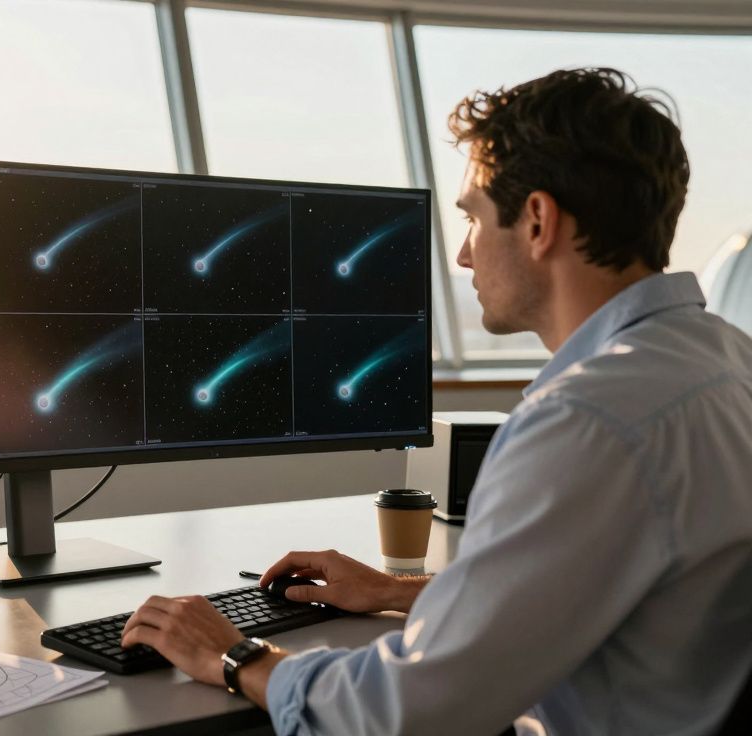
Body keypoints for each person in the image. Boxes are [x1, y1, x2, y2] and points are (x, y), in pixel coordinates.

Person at [121, 67, 752, 735]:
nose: (462, 254)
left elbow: (408, 714)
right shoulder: (725, 362)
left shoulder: (586, 421)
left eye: (473, 217)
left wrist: (235, 656)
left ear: (538, 221)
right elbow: (598, 591)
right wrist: (396, 592)